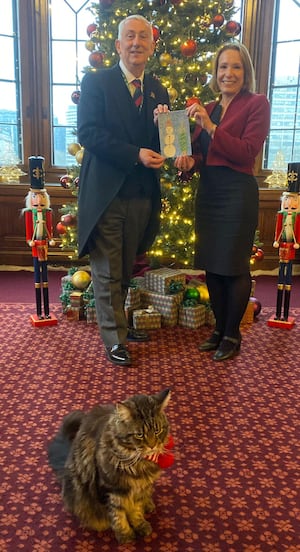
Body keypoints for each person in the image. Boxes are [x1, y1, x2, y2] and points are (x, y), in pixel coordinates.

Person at [77, 15, 170, 366]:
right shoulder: (96, 82)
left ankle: (120, 324)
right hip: (106, 195)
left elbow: (162, 144)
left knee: (128, 267)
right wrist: (135, 154)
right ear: (118, 45)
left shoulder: (158, 90)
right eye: (129, 36)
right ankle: (114, 338)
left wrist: (164, 129)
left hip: (142, 196)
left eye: (143, 37)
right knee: (107, 269)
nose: (136, 43)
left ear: (152, 45)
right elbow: (88, 133)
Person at [174, 43, 270, 361]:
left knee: (234, 266)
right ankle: (217, 330)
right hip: (210, 191)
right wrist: (190, 164)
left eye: (236, 67)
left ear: (246, 72)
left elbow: (246, 151)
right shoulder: (211, 106)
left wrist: (211, 127)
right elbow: (204, 155)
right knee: (213, 266)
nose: (228, 73)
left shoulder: (256, 104)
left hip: (237, 191)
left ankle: (232, 334)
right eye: (223, 67)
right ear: (216, 73)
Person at [23, 156, 56, 323]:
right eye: (36, 203)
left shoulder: (48, 213)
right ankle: (39, 311)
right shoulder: (29, 214)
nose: (39, 206)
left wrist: (50, 240)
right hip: (36, 248)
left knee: (46, 278)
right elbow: (29, 233)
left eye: (41, 203)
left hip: (45, 248)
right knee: (38, 279)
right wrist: (30, 241)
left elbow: (49, 230)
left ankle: (48, 312)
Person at [270, 163, 300, 324]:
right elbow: (277, 229)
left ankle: (286, 314)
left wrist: (297, 243)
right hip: (282, 246)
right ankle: (277, 313)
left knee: (288, 279)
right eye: (287, 200)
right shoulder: (281, 215)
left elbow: (298, 232)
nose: (289, 205)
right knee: (280, 279)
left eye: (293, 201)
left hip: (291, 247)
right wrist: (276, 240)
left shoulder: (297, 217)